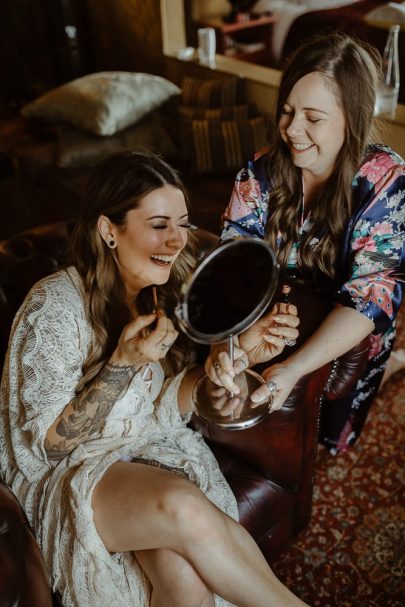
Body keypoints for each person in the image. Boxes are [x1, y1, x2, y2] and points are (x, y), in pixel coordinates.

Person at [0, 151, 305, 607]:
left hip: (140, 452)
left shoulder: (161, 295)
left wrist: (235, 358)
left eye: (182, 224)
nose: (177, 240)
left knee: (186, 578)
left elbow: (164, 404)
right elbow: (48, 446)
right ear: (109, 230)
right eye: (159, 224)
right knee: (180, 504)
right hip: (64, 474)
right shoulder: (55, 305)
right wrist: (121, 363)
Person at [206, 32, 405, 454]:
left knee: (335, 426)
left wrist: (293, 368)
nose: (292, 130)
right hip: (274, 313)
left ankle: (394, 365)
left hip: (346, 319)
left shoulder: (385, 179)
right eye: (287, 111)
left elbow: (373, 291)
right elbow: (230, 260)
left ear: (352, 118)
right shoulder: (259, 172)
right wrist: (231, 345)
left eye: (313, 119)